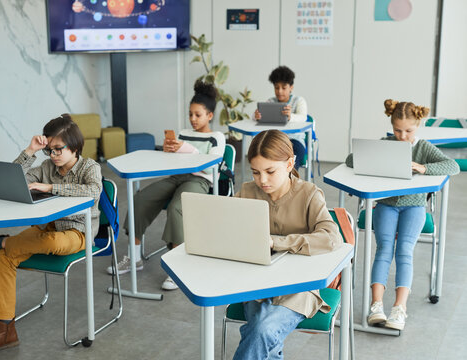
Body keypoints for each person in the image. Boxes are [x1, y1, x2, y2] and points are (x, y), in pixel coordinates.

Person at [0, 114, 102, 356]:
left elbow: (94, 191)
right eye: (50, 150)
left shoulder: (90, 167)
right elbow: (13, 177)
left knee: (52, 242)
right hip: (48, 227)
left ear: (75, 147)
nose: (54, 155)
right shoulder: (47, 166)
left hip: (78, 232)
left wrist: (50, 187)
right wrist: (30, 150)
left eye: (59, 149)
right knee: (4, 257)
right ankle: (5, 330)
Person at [346, 100, 459, 330]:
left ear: (417, 126)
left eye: (408, 131)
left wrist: (424, 168)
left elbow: (453, 166)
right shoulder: (386, 143)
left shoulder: (423, 147)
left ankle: (399, 309)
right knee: (384, 249)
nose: (402, 136)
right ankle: (375, 305)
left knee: (404, 251)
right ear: (391, 125)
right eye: (397, 130)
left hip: (414, 207)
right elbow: (351, 160)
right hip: (386, 205)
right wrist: (371, 158)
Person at [233, 130, 341, 359]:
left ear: (290, 163)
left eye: (270, 172)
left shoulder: (309, 194)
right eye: (255, 172)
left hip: (299, 286)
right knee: (263, 334)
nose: (262, 180)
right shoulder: (246, 192)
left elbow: (331, 237)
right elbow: (227, 229)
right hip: (256, 284)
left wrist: (278, 242)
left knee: (262, 330)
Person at [107, 80, 225, 290]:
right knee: (139, 200)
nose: (193, 119)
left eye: (198, 114)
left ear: (210, 115)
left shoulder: (216, 137)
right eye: (190, 114)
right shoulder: (183, 133)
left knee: (177, 208)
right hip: (176, 177)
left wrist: (187, 149)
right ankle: (133, 259)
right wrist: (169, 151)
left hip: (199, 181)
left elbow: (210, 167)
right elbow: (173, 162)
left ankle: (177, 269)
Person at [253, 66, 308, 170]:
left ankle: (289, 182)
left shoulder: (299, 101)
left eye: (284, 87)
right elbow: (256, 115)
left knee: (289, 164)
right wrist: (256, 116)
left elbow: (303, 117)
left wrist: (291, 116)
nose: (280, 91)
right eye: (276, 87)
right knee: (263, 155)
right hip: (275, 141)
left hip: (294, 141)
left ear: (291, 87)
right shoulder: (271, 101)